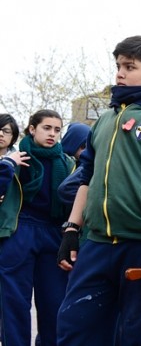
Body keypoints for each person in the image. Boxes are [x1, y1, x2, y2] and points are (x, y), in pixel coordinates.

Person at [56, 35, 141, 345]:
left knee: (137, 336)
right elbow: (86, 178)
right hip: (98, 243)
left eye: (129, 66)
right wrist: (71, 229)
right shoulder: (106, 119)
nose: (120, 73)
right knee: (74, 327)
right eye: (118, 65)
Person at [0, 110, 75, 346]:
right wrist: (9, 165)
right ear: (32, 129)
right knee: (14, 302)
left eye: (57, 130)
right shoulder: (16, 159)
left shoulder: (68, 163)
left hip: (54, 233)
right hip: (19, 229)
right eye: (46, 128)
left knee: (54, 302)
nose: (52, 134)